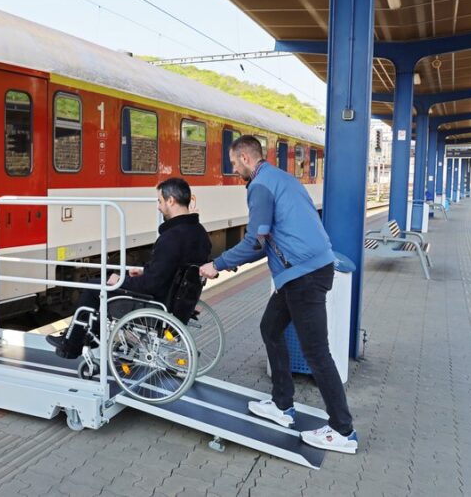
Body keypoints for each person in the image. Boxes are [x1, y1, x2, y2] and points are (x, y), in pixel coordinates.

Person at [199, 135, 358, 454]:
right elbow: (268, 240)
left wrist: (217, 264)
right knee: (270, 328)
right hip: (301, 272)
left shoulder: (260, 186)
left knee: (317, 352)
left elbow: (254, 242)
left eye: (234, 163)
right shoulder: (281, 179)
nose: (234, 169)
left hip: (304, 276)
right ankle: (282, 404)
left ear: (246, 158)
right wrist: (230, 263)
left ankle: (343, 430)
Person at [47, 177, 211, 358]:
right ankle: (90, 337)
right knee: (103, 285)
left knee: (94, 287)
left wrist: (121, 280)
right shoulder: (200, 233)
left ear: (171, 200)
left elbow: (151, 284)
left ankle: (71, 346)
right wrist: (143, 271)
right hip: (176, 302)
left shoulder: (171, 237)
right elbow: (172, 270)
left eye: (160, 201)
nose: (158, 206)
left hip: (156, 303)